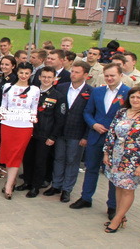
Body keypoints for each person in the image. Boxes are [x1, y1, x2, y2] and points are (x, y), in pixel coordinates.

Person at [71, 64, 130, 218]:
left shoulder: (128, 93)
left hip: (116, 140)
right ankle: (86, 198)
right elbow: (87, 112)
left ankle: (112, 205)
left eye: (112, 75)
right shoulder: (98, 91)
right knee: (91, 168)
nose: (109, 78)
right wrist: (94, 124)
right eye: (107, 75)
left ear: (120, 75)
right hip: (96, 136)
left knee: (112, 172)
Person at [101, 87, 140, 233]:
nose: (135, 100)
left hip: (135, 160)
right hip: (117, 157)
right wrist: (107, 153)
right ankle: (120, 215)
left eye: (139, 97)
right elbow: (112, 133)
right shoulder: (122, 112)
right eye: (133, 97)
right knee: (118, 186)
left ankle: (117, 220)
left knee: (128, 189)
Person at [47, 61, 93, 203]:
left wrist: (86, 136)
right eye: (72, 71)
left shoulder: (90, 92)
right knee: (59, 158)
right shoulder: (62, 87)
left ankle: (67, 189)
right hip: (60, 131)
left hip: (77, 133)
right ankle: (56, 185)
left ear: (85, 75)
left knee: (72, 161)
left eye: (77, 72)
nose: (73, 74)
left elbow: (91, 114)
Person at [17, 66, 66, 198]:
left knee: (40, 161)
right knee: (27, 159)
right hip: (29, 131)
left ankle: (35, 186)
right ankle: (27, 182)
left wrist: (53, 137)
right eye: (44, 76)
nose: (46, 79)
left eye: (49, 77)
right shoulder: (32, 92)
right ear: (39, 77)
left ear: (54, 79)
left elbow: (60, 120)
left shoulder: (58, 96)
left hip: (45, 135)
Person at [0, 62, 40, 199]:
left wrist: (32, 123)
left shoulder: (34, 90)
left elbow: (34, 108)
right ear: (17, 72)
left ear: (31, 74)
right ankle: (12, 180)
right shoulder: (8, 87)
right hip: (8, 124)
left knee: (16, 154)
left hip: (24, 126)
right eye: (21, 72)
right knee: (8, 153)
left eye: (27, 73)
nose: (23, 75)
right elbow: (3, 105)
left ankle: (9, 185)